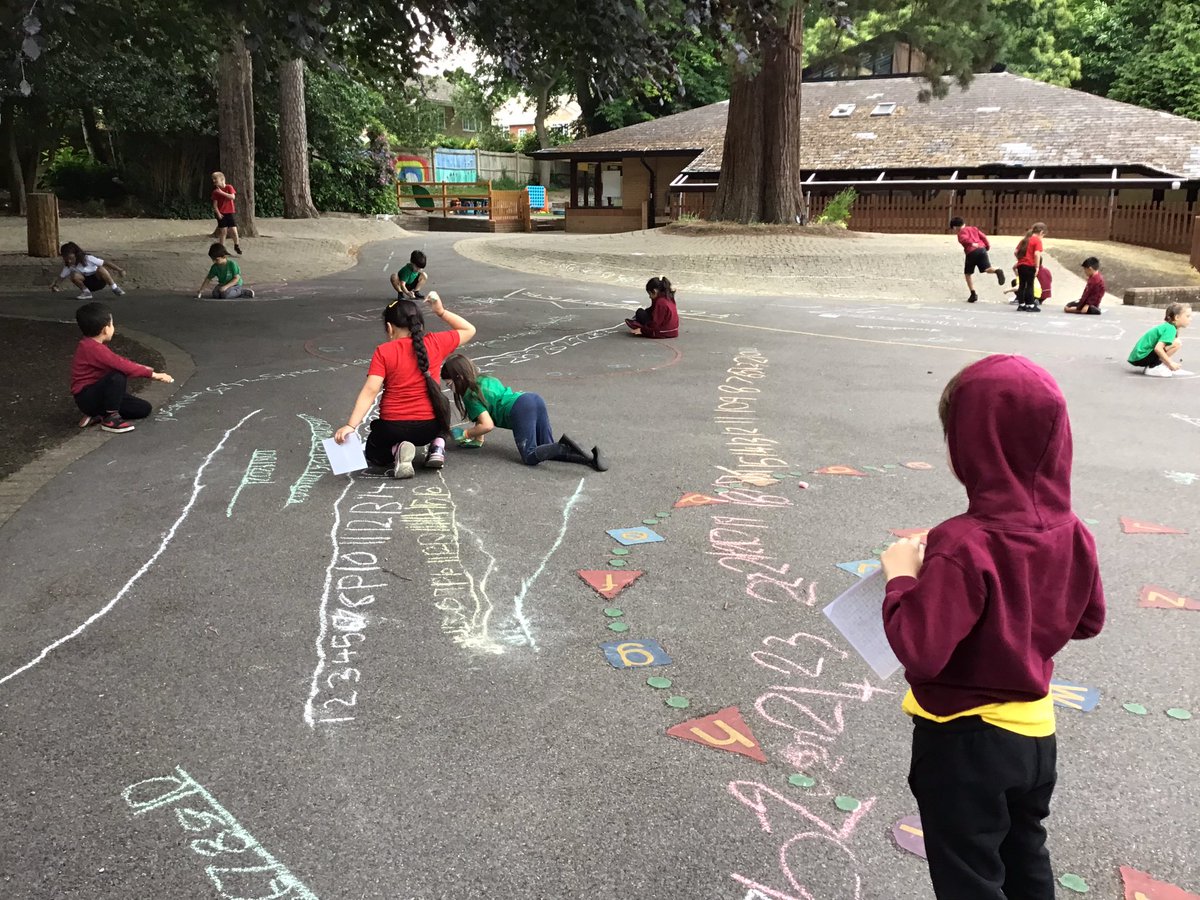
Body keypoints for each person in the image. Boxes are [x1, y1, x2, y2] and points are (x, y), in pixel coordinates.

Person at [881, 354, 1105, 900]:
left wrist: (901, 580)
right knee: (1024, 852)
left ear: (969, 445)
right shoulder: (1070, 529)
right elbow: (1089, 620)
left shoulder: (964, 541)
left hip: (963, 740)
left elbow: (920, 650)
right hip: (1034, 734)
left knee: (968, 876)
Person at [333, 293, 475, 477]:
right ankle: (437, 446)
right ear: (420, 325)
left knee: (374, 452)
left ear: (389, 328)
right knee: (441, 405)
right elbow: (469, 330)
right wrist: (440, 311)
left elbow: (370, 391)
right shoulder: (436, 343)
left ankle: (398, 449)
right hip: (429, 427)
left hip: (393, 428)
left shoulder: (384, 351)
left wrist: (351, 426)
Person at [441, 354, 607, 471]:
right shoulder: (485, 380)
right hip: (532, 399)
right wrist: (477, 439)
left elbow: (487, 424)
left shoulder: (470, 395)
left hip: (521, 409)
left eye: (450, 385)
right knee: (546, 450)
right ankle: (590, 458)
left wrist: (466, 433)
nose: (451, 389)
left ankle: (563, 446)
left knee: (530, 456)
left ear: (459, 378)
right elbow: (486, 412)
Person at [71, 301, 174, 433]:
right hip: (87, 397)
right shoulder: (92, 348)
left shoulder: (92, 345)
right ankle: (110, 419)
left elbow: (119, 362)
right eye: (112, 324)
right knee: (118, 375)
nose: (113, 327)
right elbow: (123, 365)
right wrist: (155, 375)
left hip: (97, 395)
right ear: (105, 329)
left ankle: (99, 414)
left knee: (143, 409)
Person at [1127, 302, 1192, 377]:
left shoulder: (1169, 327)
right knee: (1177, 343)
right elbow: (1158, 348)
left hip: (1139, 356)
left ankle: (1158, 365)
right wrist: (1170, 363)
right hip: (1141, 357)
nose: (1190, 319)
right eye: (1188, 316)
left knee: (1175, 342)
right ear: (1177, 317)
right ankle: (1153, 367)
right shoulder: (1170, 329)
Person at [949, 217, 1004, 303]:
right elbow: (983, 237)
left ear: (955, 227)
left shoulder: (960, 233)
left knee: (968, 274)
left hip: (971, 253)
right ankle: (997, 270)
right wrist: (987, 246)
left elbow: (964, 239)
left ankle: (973, 293)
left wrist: (972, 243)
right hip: (982, 249)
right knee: (987, 268)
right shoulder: (974, 229)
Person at [50, 242, 126, 300]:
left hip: (99, 281)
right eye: (66, 259)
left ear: (76, 255)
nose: (69, 261)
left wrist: (120, 270)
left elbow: (105, 263)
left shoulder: (88, 258)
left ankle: (115, 288)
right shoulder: (69, 266)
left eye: (71, 258)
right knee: (74, 275)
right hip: (87, 283)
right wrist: (56, 286)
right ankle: (86, 292)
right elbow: (61, 277)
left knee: (101, 269)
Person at [1013, 223, 1046, 312]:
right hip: (1030, 265)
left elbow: (1016, 252)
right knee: (1030, 285)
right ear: (1041, 232)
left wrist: (1020, 259)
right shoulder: (1037, 241)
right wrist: (1037, 266)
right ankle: (1030, 305)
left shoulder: (1024, 240)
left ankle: (1021, 304)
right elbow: (1036, 254)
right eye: (1043, 235)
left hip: (1021, 265)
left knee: (1022, 285)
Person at [211, 172, 242, 255]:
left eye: (215, 179)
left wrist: (221, 192)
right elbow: (215, 205)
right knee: (223, 232)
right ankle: (222, 249)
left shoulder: (229, 187)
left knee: (234, 231)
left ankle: (236, 245)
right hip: (221, 214)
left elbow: (232, 197)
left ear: (222, 179)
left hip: (229, 212)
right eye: (213, 179)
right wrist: (218, 213)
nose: (214, 181)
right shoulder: (215, 192)